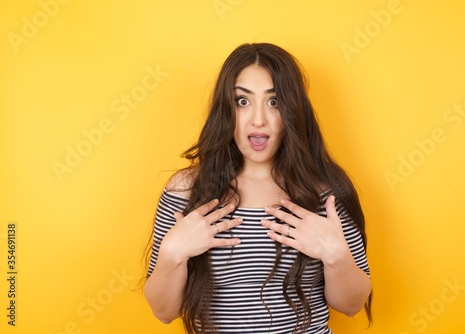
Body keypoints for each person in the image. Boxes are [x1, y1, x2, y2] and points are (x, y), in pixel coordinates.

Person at [144, 43, 372, 334]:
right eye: (243, 101)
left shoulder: (325, 192)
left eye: (274, 102)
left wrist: (336, 255)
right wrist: (172, 254)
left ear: (292, 111)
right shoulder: (187, 190)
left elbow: (350, 305)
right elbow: (164, 312)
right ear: (226, 110)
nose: (259, 119)